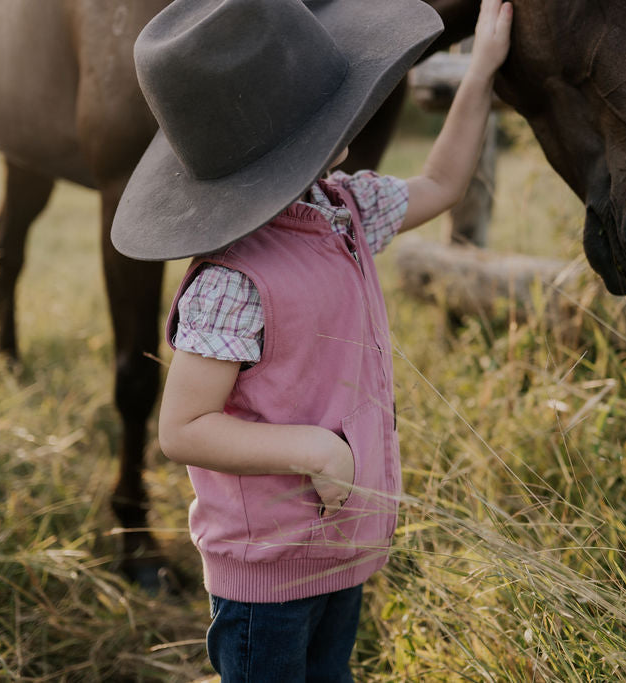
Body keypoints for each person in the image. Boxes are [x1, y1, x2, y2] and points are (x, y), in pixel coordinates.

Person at [111, 0, 512, 679]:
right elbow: (183, 427)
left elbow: (442, 184)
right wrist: (313, 447)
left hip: (341, 546)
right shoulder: (234, 278)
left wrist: (479, 75)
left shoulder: (341, 208)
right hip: (266, 574)